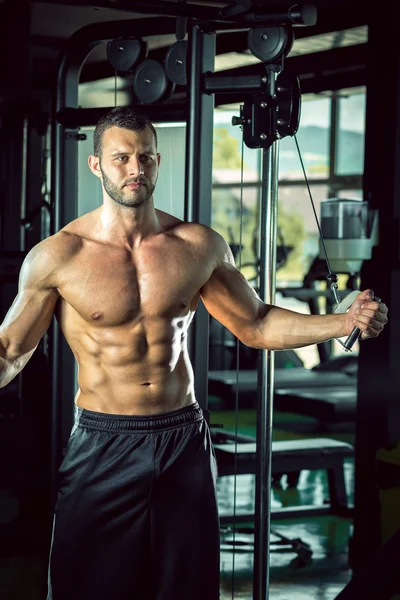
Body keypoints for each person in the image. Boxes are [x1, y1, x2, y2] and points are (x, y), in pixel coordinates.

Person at [0, 106, 388, 600]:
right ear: (97, 165)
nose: (135, 169)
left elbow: (256, 324)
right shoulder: (59, 255)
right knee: (85, 586)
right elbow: (10, 350)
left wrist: (342, 323)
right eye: (121, 158)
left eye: (145, 157)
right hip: (104, 441)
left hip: (181, 438)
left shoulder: (198, 245)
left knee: (187, 587)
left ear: (158, 160)